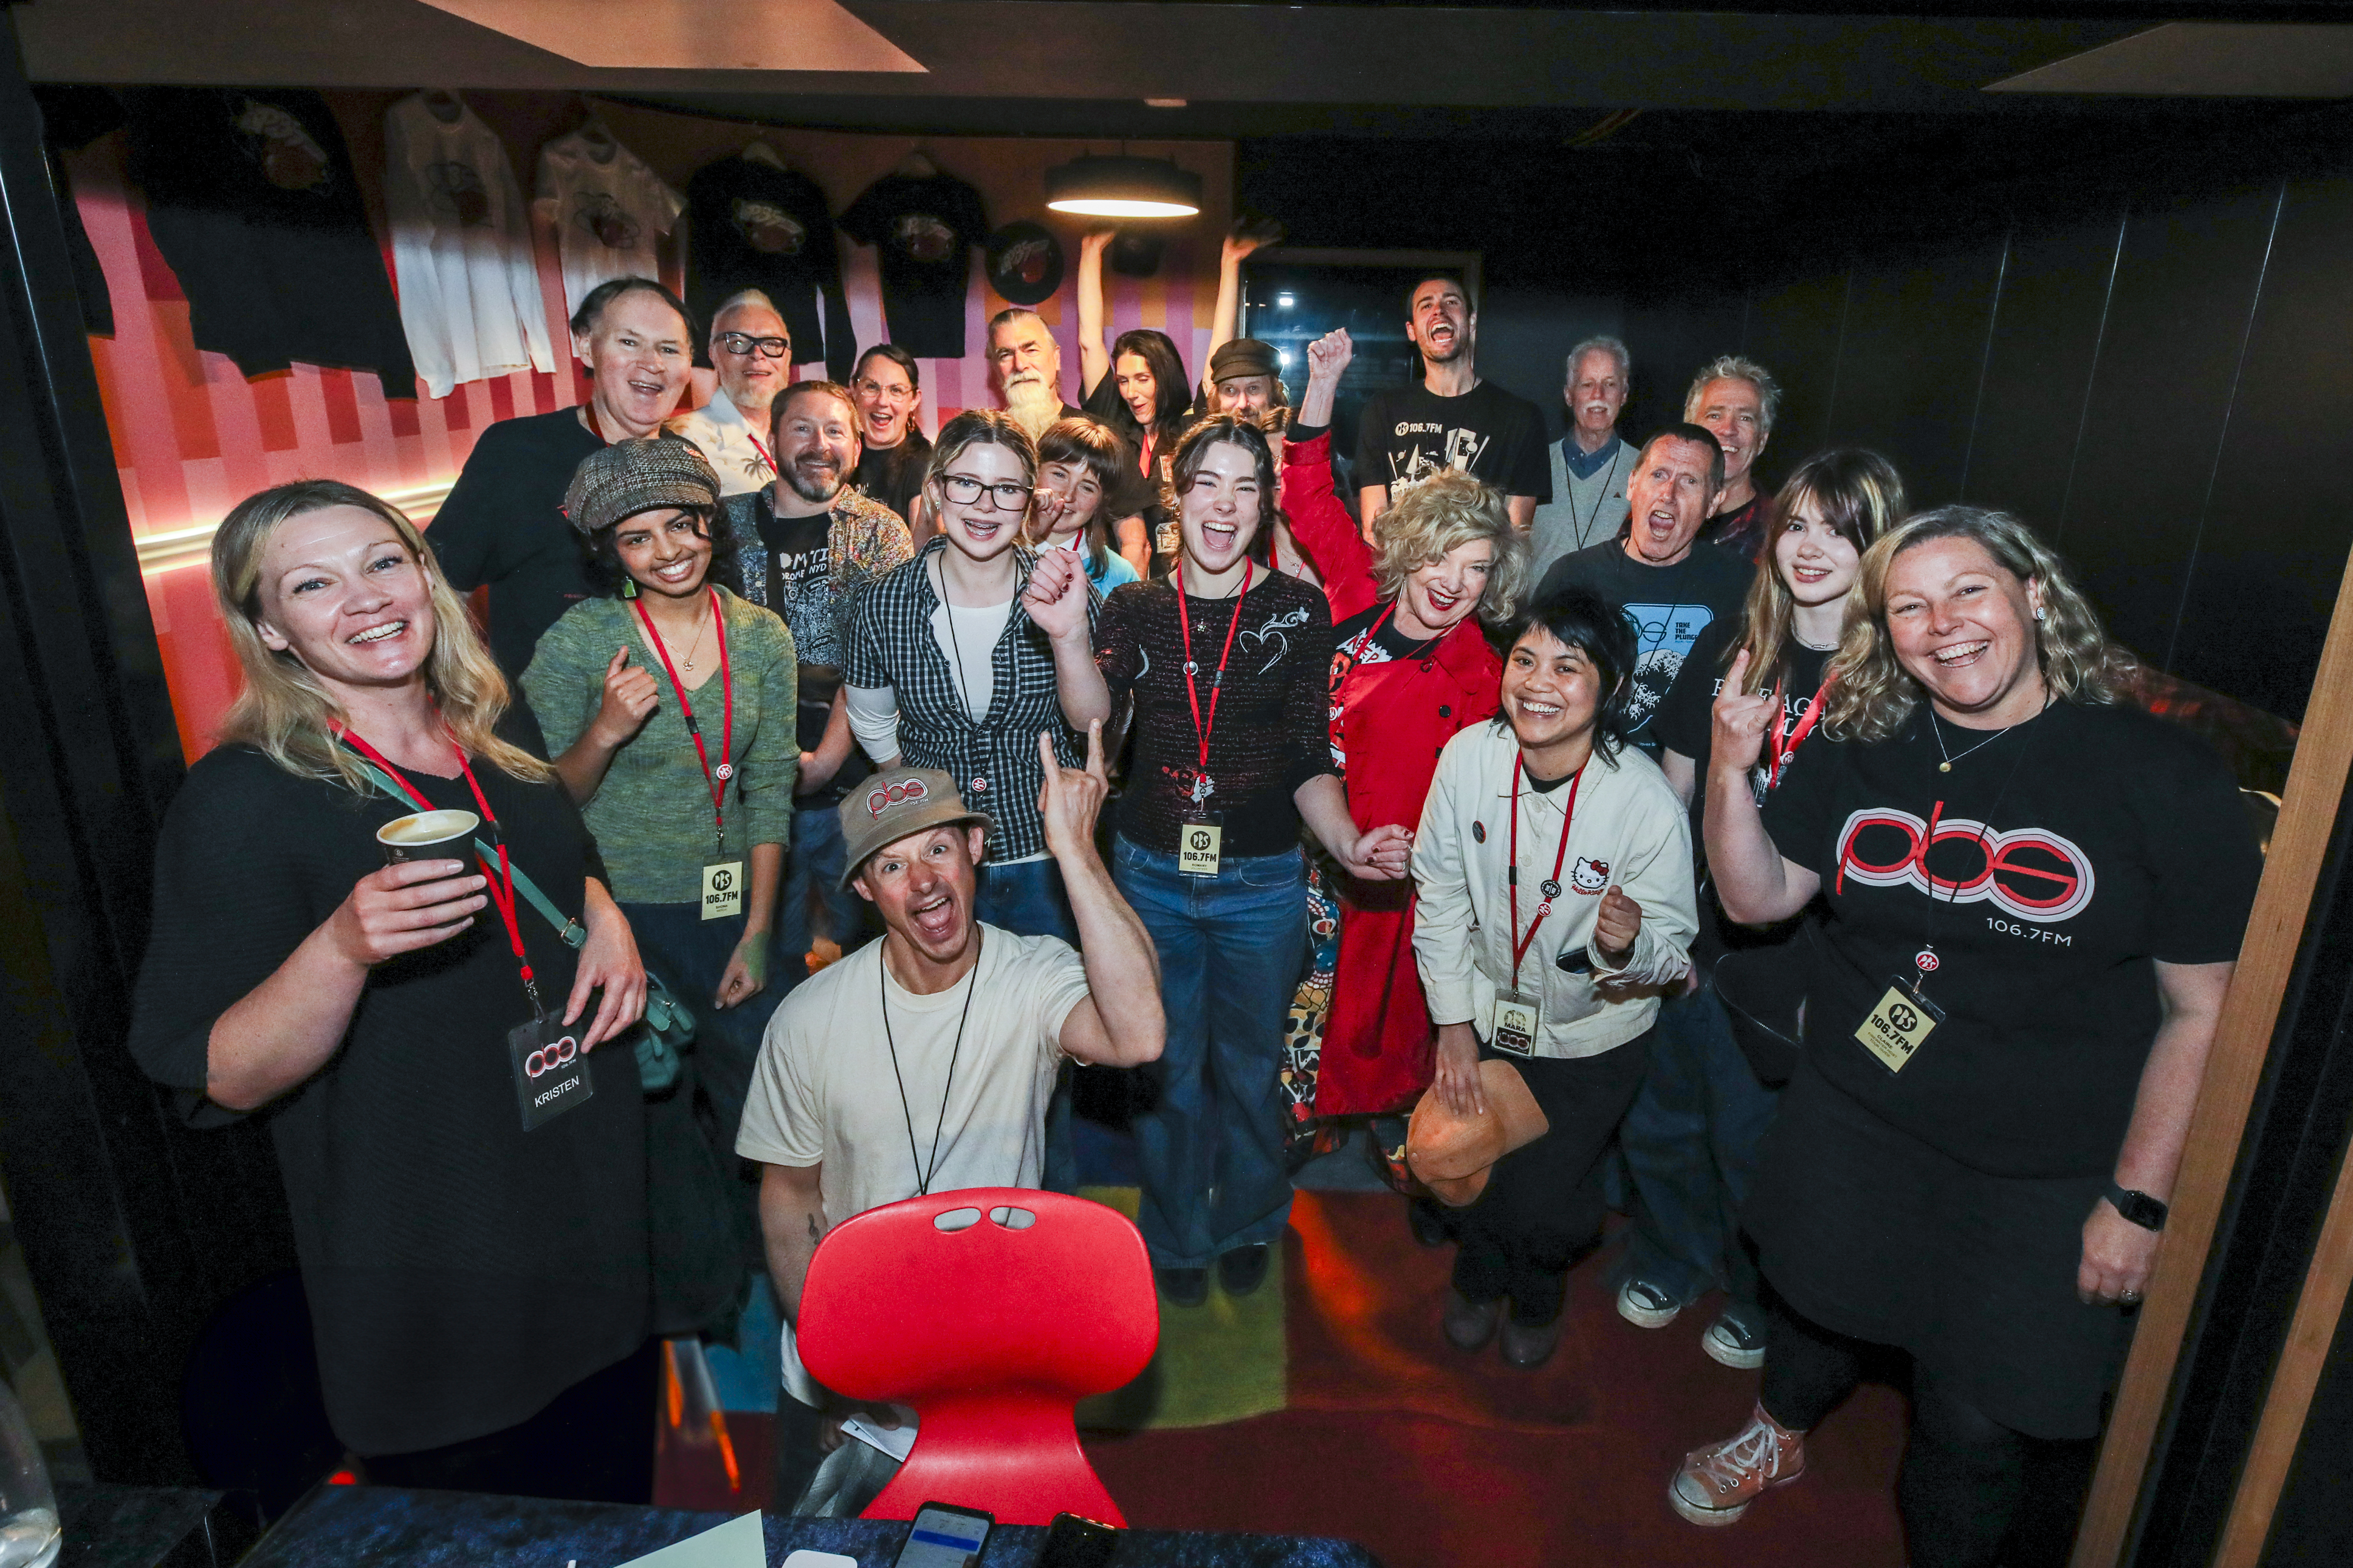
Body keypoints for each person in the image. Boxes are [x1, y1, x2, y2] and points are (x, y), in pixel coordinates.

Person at [1671, 508, 2259, 1568]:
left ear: (2034, 596)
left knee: (1973, 1421)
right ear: (1883, 632)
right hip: (1853, 1119)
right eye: (1908, 606)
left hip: (2039, 1169)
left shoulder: (2159, 775)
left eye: (1969, 592)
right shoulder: (1860, 749)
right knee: (1810, 1305)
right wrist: (1728, 765)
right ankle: (1778, 1431)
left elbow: (2202, 1008)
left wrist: (2137, 1201)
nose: (1942, 625)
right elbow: (1757, 901)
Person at [129, 479, 653, 1500]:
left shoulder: (493, 722)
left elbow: (554, 851)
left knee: (623, 1513)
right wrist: (340, 947)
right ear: (269, 629)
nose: (364, 597)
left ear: (425, 574)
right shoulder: (242, 798)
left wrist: (603, 910)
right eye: (313, 584)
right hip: (439, 1279)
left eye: (383, 561)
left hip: (590, 1227)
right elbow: (218, 1073)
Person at [739, 735, 1166, 1507]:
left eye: (939, 848)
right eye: (894, 865)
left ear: (975, 847)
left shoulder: (1031, 973)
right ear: (866, 889)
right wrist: (835, 1365)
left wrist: (1075, 851)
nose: (925, 882)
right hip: (852, 1342)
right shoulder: (806, 1020)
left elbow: (1138, 1034)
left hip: (989, 1341)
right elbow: (789, 1197)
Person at [1070, 414, 1414, 1306]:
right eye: (1207, 484)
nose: (1224, 505)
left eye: (1246, 487)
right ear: (1176, 498)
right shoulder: (1136, 605)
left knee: (1255, 1073)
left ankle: (1255, 1216)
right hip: (1149, 875)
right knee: (1170, 1070)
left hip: (1262, 883)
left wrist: (1343, 843)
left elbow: (1308, 752)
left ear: (1266, 507)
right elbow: (1089, 716)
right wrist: (1070, 636)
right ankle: (1180, 1234)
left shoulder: (1296, 611)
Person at [1623, 450, 1908, 1370]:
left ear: (1879, 545)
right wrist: (1663, 929)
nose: (1812, 547)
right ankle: (1671, 1256)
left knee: (1756, 1147)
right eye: (1797, 525)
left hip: (1798, 969)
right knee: (1662, 1122)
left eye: (1841, 529)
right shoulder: (1732, 644)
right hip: (1690, 943)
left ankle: (1754, 1295)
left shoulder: (1894, 686)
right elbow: (1670, 789)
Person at [1410, 587, 1697, 1368]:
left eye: (1567, 667)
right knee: (1464, 1162)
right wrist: (1452, 1025)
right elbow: (1435, 891)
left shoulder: (1643, 802)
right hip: (1480, 1012)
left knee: (1546, 1202)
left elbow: (1676, 959)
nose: (1536, 682)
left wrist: (1628, 946)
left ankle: (1535, 1291)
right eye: (1524, 659)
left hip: (1592, 1037)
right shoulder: (1469, 756)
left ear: (1607, 688)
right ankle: (1475, 1277)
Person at [523, 437, 798, 1208]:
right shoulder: (580, 642)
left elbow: (769, 786)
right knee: (650, 1128)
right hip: (619, 919)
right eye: (637, 538)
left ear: (711, 521)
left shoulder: (760, 634)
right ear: (611, 551)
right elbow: (539, 805)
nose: (667, 551)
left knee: (764, 1108)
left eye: (681, 525)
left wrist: (756, 929)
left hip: (727, 909)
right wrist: (605, 731)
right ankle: (688, 1296)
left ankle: (769, 1273)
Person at [1280, 327, 1525, 1125]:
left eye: (1477, 567)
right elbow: (1307, 492)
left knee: (1384, 1051)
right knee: (1288, 1036)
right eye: (1441, 558)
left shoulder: (1484, 675)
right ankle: (1291, 1148)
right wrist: (1324, 383)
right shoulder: (1360, 594)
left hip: (1384, 877)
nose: (1454, 583)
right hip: (1298, 850)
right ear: (1410, 550)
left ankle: (1412, 1168)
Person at [844, 410, 1105, 941]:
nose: (986, 506)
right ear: (937, 489)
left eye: (1006, 488)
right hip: (937, 869)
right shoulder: (882, 603)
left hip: (1049, 854)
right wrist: (925, 786)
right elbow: (871, 724)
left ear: (1028, 500)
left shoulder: (1064, 590)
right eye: (967, 483)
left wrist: (1069, 636)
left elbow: (1095, 721)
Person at [723, 380, 917, 985]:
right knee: (762, 945)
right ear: (773, 439)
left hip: (850, 779)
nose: (819, 444)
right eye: (802, 428)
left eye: (835, 431)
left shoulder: (880, 532)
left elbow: (875, 656)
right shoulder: (724, 526)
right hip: (746, 781)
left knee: (866, 939)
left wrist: (825, 760)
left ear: (855, 449)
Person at [431, 277, 695, 678]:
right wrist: (464, 694)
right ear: (586, 346)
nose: (653, 363)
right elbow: (444, 589)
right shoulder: (514, 450)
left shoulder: (688, 462)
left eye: (669, 349)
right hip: (546, 719)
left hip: (671, 709)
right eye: (629, 342)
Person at [1531, 425, 1755, 756]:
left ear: (1714, 502)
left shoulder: (1742, 585)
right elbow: (1534, 686)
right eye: (1659, 475)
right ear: (1632, 484)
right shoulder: (1573, 576)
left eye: (1690, 481)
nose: (1668, 494)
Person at [1355, 272, 1549, 532]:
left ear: (1471, 321)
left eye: (1451, 302)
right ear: (1411, 330)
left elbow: (1516, 538)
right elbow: (1373, 530)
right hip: (1402, 573)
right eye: (1426, 305)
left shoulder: (1521, 417)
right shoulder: (1382, 411)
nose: (1439, 311)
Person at [1076, 229, 1194, 488]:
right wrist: (1092, 249)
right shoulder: (1113, 420)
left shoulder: (1189, 429)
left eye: (1142, 379)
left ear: (1166, 378)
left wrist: (1231, 262)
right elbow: (1089, 343)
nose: (1131, 392)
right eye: (1123, 381)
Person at [1528, 337, 1634, 580]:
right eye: (1587, 384)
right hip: (1537, 615)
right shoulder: (1533, 463)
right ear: (1568, 395)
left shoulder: (1647, 469)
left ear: (1624, 394)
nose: (1598, 394)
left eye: (1610, 384)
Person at [667, 290, 791, 496]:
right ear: (712, 354)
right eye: (738, 343)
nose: (757, 355)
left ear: (787, 357)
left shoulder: (809, 434)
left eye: (771, 343)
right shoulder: (679, 441)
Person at [1029, 416, 1144, 593]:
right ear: (1035, 471)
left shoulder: (1120, 575)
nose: (1068, 496)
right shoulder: (997, 554)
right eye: (1060, 475)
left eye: (1087, 488)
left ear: (1102, 501)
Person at [1685, 357, 1782, 562]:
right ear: (1689, 429)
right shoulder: (1656, 511)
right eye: (1714, 416)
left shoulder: (1779, 533)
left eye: (1745, 418)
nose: (1729, 430)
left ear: (1762, 440)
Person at [848, 343, 933, 532]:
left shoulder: (924, 464)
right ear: (853, 389)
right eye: (871, 387)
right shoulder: (841, 453)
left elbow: (923, 554)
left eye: (896, 390)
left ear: (914, 400)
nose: (882, 401)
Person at [988, 307, 1082, 442]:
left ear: (1056, 358)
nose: (1020, 365)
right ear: (996, 369)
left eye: (1031, 350)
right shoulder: (987, 443)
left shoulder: (1092, 438)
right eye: (1006, 355)